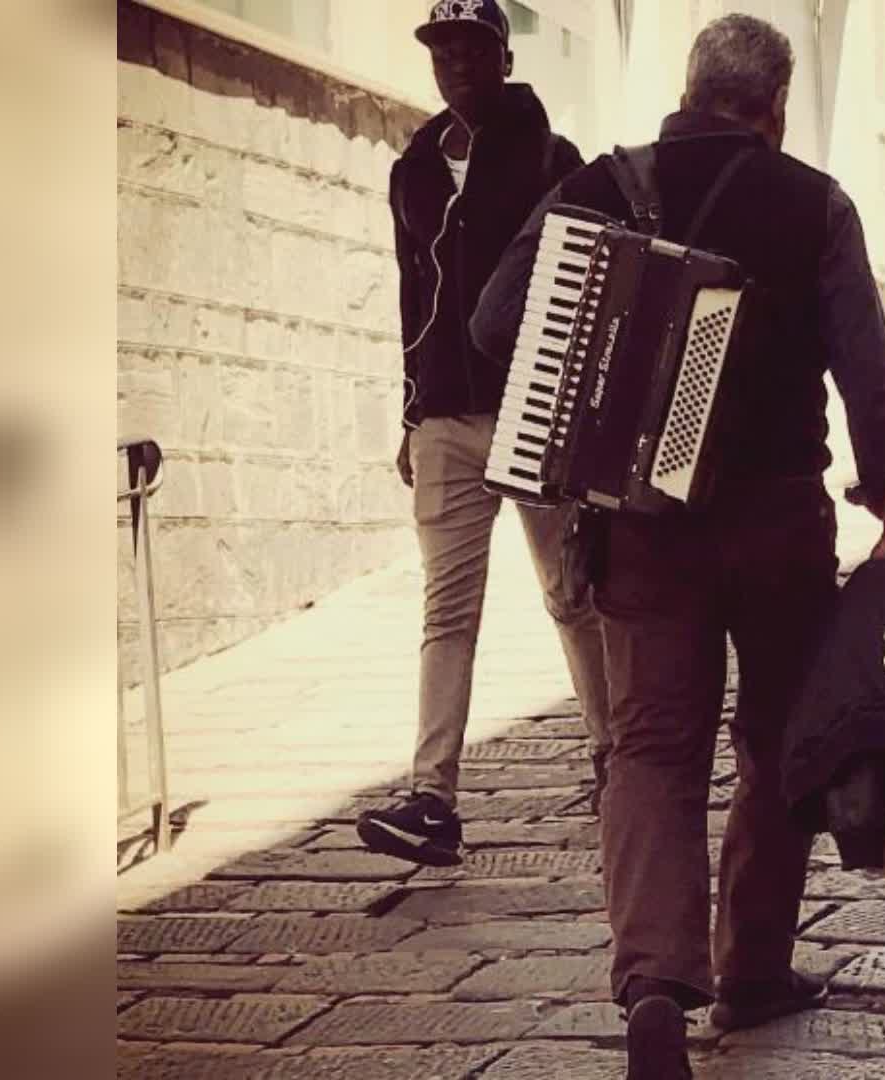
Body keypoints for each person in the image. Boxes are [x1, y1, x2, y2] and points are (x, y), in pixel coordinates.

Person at [471, 14, 885, 1078]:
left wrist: (581, 374)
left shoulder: (599, 188)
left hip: (643, 530)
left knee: (650, 749)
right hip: (778, 520)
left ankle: (656, 992)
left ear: (686, 89)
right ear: (773, 105)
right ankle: (754, 967)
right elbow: (867, 367)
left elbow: (496, 322)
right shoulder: (814, 202)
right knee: (773, 742)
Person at [356, 0, 608, 868]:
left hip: (530, 411)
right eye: (442, 46)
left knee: (571, 595)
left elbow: (585, 298)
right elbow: (408, 296)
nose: (456, 60)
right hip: (445, 421)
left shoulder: (554, 160)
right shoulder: (414, 169)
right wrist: (408, 411)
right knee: (445, 613)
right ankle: (434, 800)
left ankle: (616, 760)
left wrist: (580, 413)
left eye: (473, 46)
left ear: (503, 55)